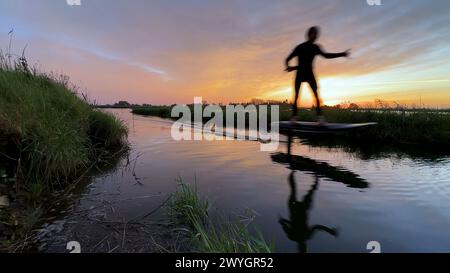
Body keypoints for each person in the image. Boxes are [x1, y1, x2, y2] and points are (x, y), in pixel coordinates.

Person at [285, 26, 350, 124]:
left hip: (310, 74)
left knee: (316, 95)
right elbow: (287, 59)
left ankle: (320, 118)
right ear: (309, 35)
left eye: (316, 34)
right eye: (314, 34)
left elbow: (326, 56)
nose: (315, 36)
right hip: (300, 74)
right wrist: (288, 66)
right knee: (296, 96)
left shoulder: (316, 47)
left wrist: (342, 54)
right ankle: (294, 117)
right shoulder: (300, 47)